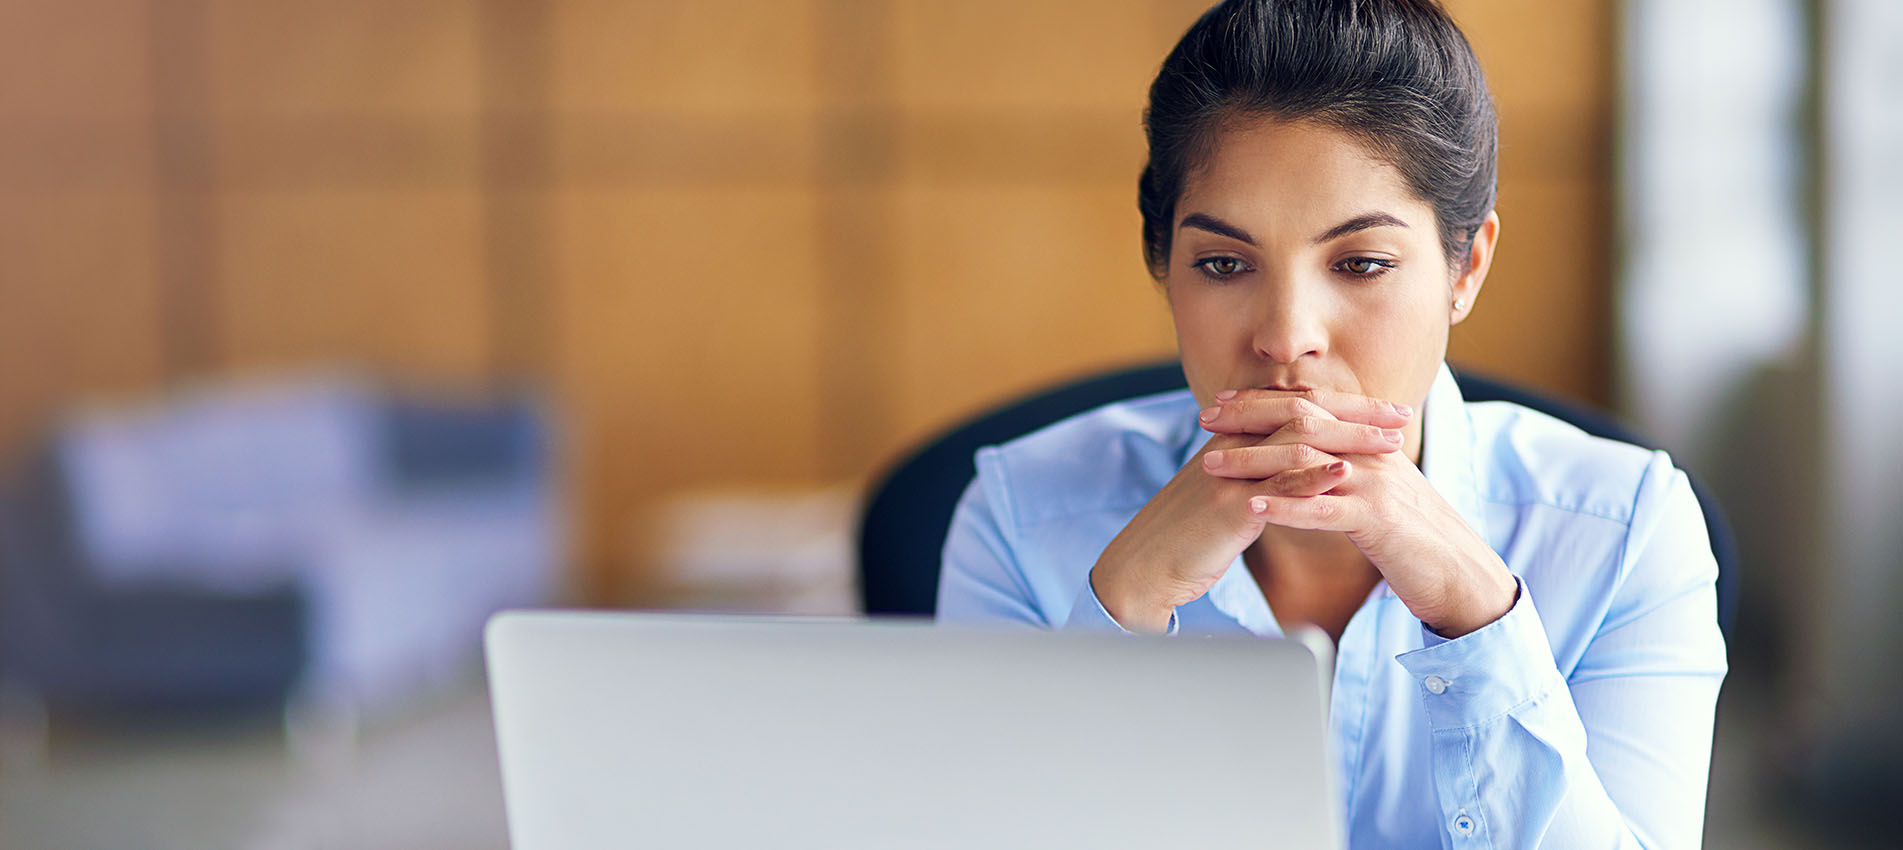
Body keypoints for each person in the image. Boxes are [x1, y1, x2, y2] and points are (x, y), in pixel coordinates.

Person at [934, 1, 1727, 847]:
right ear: (1164, 268)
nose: (1285, 336)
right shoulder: (1017, 519)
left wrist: (1476, 615)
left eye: (1360, 264)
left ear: (1467, 266)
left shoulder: (1627, 531)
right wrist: (1119, 609)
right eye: (1223, 264)